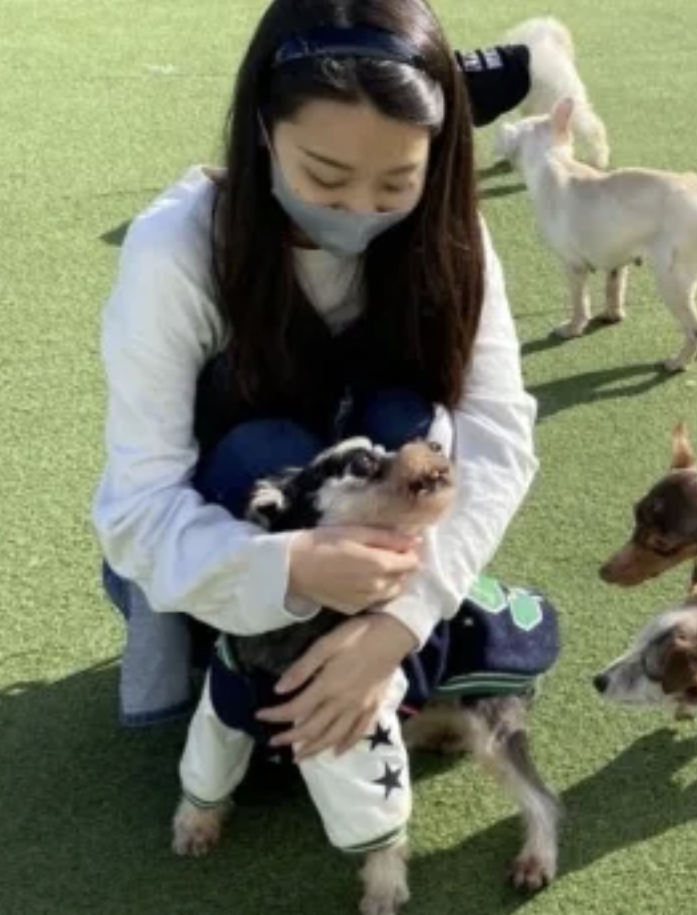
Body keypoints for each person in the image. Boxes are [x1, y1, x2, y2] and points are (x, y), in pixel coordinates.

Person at [91, 0, 540, 772]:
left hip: (384, 551)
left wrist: (400, 619)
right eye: (325, 178)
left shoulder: (449, 231)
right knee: (268, 447)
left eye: (398, 181)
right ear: (262, 131)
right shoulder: (179, 247)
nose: (361, 210)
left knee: (409, 421)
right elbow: (137, 508)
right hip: (236, 531)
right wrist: (289, 569)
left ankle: (374, 670)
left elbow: (497, 434)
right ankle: (256, 663)